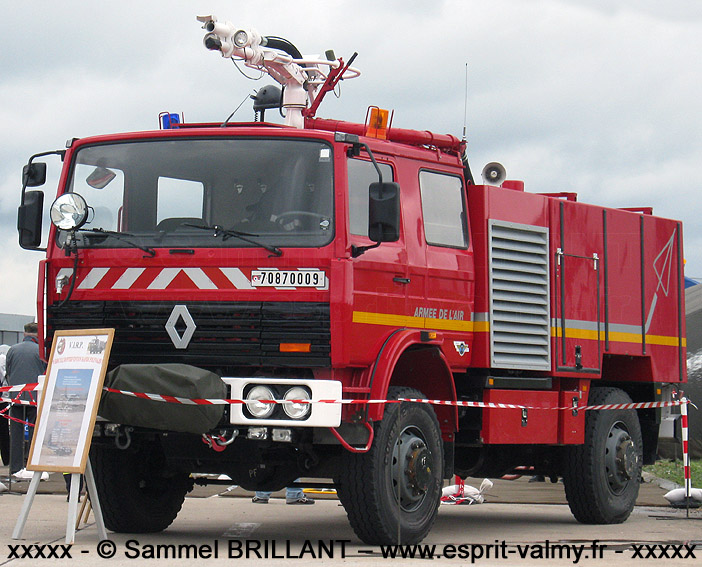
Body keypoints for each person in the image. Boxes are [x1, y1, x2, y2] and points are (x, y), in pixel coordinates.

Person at [5, 322, 48, 481]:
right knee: (35, 434)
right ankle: (33, 467)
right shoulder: (41, 351)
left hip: (15, 397)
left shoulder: (12, 350)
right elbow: (45, 372)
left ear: (25, 334)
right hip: (35, 399)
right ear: (38, 335)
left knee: (15, 434)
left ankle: (15, 468)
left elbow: (8, 372)